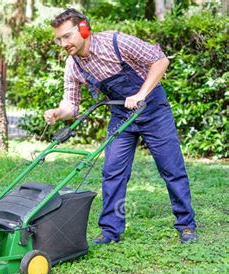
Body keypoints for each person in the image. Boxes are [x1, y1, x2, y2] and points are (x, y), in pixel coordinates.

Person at [44, 8, 197, 244]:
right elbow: (71, 106)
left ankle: (186, 225)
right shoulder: (73, 65)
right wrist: (58, 112)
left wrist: (141, 94)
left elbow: (160, 60)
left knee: (171, 168)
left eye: (67, 36)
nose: (63, 43)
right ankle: (110, 231)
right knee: (112, 171)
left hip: (153, 110)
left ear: (84, 28)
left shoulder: (115, 42)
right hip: (122, 115)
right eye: (59, 39)